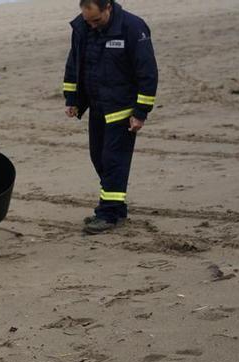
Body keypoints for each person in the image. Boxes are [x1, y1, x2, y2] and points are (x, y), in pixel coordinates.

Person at [63, 0, 158, 234]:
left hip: (122, 111)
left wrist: (140, 112)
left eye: (97, 20)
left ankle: (107, 214)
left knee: (113, 161)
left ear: (108, 8)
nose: (93, 25)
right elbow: (74, 63)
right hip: (97, 107)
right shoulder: (82, 28)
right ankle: (116, 208)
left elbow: (148, 73)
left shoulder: (134, 28)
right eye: (88, 20)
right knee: (99, 159)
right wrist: (72, 98)